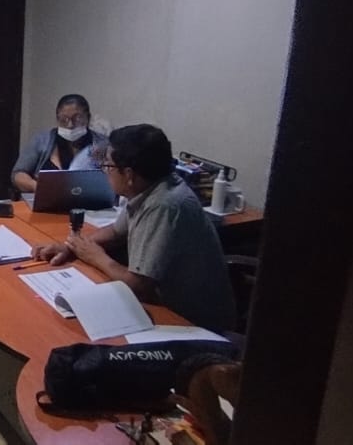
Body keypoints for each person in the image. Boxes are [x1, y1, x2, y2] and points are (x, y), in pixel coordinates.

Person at [30, 124, 236, 333]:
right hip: (164, 306)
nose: (105, 171)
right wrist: (72, 246)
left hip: (192, 324)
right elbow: (115, 232)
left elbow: (138, 286)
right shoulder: (150, 187)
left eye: (108, 166)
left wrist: (95, 257)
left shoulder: (163, 205)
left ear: (128, 175)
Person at [11, 94, 108, 194]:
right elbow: (18, 174)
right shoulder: (42, 141)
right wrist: (38, 187)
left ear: (88, 117)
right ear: (57, 119)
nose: (70, 125)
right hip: (47, 198)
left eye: (77, 118)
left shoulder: (104, 144)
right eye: (63, 119)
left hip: (91, 199)